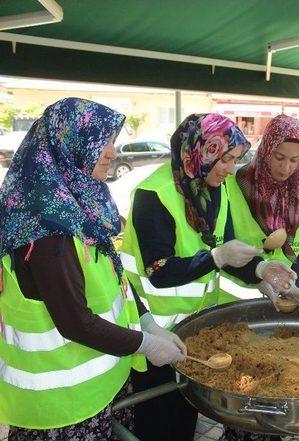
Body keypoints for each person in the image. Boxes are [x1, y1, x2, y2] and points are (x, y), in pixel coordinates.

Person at [0, 98, 185, 440]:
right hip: (62, 410)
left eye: (114, 141)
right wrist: (146, 344)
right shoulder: (46, 230)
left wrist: (146, 322)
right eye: (104, 142)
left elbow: (112, 280)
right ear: (69, 145)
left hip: (100, 390)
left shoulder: (80, 207)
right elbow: (75, 322)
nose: (113, 152)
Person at [119, 113, 296, 441]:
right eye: (225, 160)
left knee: (185, 419)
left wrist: (260, 273)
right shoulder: (153, 195)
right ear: (200, 153)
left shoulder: (217, 187)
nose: (231, 169)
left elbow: (224, 252)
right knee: (160, 425)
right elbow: (159, 272)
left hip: (194, 333)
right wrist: (217, 257)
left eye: (235, 160)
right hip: (155, 333)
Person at [220, 114, 299, 316]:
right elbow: (222, 245)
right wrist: (262, 277)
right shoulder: (230, 187)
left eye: (294, 160)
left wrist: (289, 286)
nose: (286, 168)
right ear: (266, 150)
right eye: (279, 157)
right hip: (232, 298)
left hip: (283, 299)